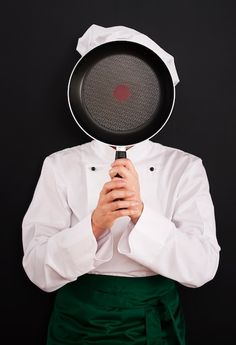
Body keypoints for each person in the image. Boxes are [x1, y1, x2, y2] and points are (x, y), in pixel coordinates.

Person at [22, 25, 220, 345]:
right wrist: (95, 225)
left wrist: (141, 214)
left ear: (153, 93)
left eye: (131, 83)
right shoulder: (59, 165)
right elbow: (37, 270)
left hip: (154, 322)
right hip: (78, 322)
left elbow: (202, 268)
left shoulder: (184, 168)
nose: (120, 93)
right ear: (89, 91)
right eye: (107, 81)